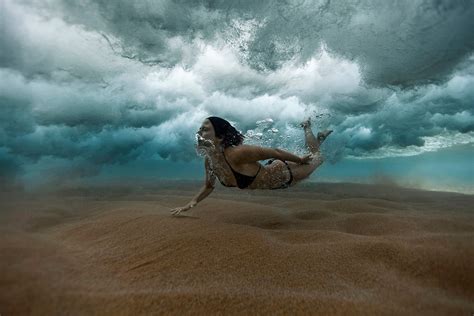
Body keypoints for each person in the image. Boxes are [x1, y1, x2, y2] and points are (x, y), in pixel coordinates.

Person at [170, 116, 332, 216]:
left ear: (219, 137)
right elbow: (208, 186)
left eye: (205, 129)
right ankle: (319, 139)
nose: (199, 132)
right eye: (200, 129)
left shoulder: (236, 154)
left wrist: (299, 161)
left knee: (318, 158)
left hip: (285, 173)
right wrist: (192, 203)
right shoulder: (210, 161)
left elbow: (273, 152)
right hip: (276, 179)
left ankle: (307, 127)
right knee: (314, 155)